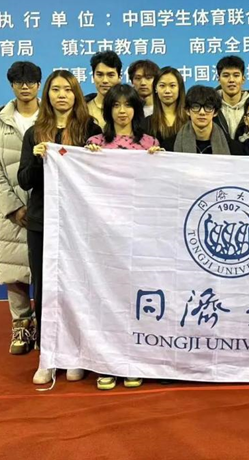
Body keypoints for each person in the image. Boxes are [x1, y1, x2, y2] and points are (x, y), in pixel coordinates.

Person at [18, 69, 98, 385]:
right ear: (47, 95)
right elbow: (24, 180)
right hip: (43, 222)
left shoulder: (91, 129)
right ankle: (48, 355)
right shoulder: (35, 132)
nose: (61, 95)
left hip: (79, 223)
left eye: (67, 89)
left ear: (76, 94)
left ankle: (76, 353)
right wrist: (38, 157)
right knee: (46, 287)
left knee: (79, 286)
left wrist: (94, 156)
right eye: (55, 89)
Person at [85, 84, 161, 390]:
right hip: (104, 235)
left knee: (135, 298)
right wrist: (86, 159)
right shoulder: (95, 144)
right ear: (108, 110)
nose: (122, 111)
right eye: (115, 105)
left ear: (136, 110)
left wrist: (160, 162)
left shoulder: (149, 144)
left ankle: (133, 360)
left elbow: (159, 186)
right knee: (106, 298)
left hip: (139, 233)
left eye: (127, 105)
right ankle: (107, 363)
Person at [0, 61, 41, 356]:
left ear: (39, 85)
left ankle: (45, 325)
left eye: (30, 81)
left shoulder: (52, 118)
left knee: (46, 270)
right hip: (12, 211)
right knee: (14, 272)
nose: (25, 86)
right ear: (12, 85)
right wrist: (14, 208)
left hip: (47, 207)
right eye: (19, 82)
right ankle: (21, 324)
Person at [173, 85, 231, 155]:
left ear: (215, 112)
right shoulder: (170, 146)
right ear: (187, 110)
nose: (202, 112)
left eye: (208, 107)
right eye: (196, 107)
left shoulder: (232, 146)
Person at [148, 66, 188, 151]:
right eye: (162, 86)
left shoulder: (190, 120)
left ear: (179, 88)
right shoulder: (146, 123)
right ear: (155, 88)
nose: (167, 91)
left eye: (172, 86)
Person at [215, 55, 249, 139]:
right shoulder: (211, 106)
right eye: (226, 75)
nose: (231, 80)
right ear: (218, 79)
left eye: (236, 75)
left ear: (243, 79)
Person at [86, 50, 123, 129]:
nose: (105, 80)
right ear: (93, 77)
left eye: (110, 75)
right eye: (100, 75)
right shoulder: (83, 109)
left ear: (119, 77)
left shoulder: (129, 108)